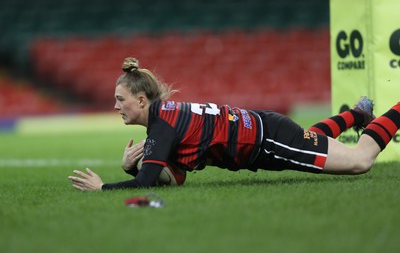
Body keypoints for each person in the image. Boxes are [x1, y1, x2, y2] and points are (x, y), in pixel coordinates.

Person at [68, 57, 400, 191]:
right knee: (309, 138)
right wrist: (134, 168)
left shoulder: (162, 126)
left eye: (120, 99)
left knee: (360, 161)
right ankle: (359, 113)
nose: (115, 106)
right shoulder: (165, 117)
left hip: (267, 140)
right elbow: (175, 177)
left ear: (141, 101)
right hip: (267, 130)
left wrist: (104, 187)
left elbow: (146, 184)